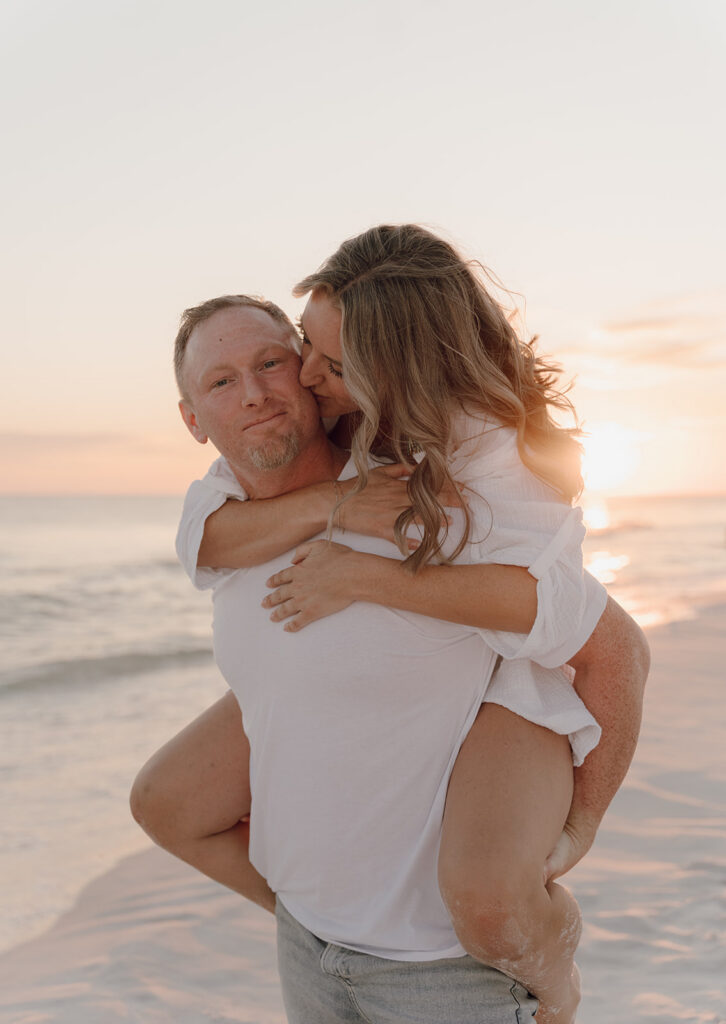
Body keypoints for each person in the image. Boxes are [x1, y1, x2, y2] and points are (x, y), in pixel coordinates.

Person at [131, 286, 648, 1023]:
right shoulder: (221, 509)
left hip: (443, 972)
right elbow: (202, 545)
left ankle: (551, 953)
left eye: (271, 363)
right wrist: (324, 509)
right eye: (221, 382)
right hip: (310, 955)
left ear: (313, 372)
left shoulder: (418, 493)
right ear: (192, 420)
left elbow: (616, 648)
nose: (254, 394)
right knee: (162, 800)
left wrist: (584, 820)